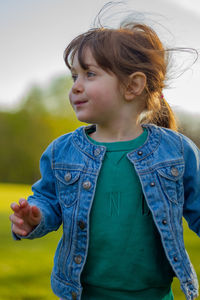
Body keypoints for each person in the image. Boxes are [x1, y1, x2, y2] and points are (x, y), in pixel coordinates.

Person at [9, 12, 200, 300]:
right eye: (75, 75)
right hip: (82, 294)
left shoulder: (176, 151)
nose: (75, 86)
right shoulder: (63, 151)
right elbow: (47, 200)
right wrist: (35, 217)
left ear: (132, 86)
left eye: (90, 74)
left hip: (155, 295)